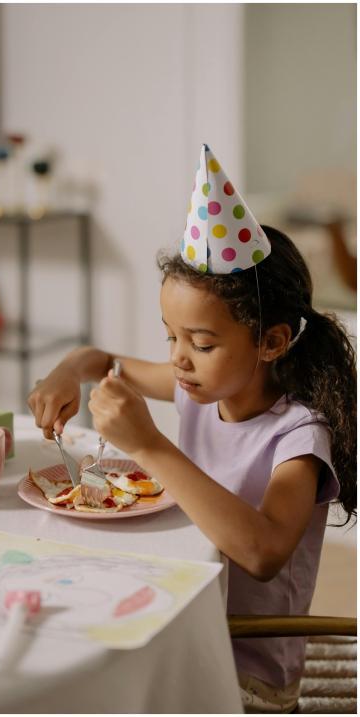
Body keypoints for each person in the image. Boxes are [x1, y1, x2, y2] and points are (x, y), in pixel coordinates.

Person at [28, 145, 356, 713]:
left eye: (201, 344)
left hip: (242, 669)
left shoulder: (299, 437)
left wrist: (149, 445)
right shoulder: (201, 388)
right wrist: (68, 371)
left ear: (272, 342)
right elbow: (100, 357)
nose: (179, 360)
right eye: (170, 338)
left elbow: (263, 551)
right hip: (184, 620)